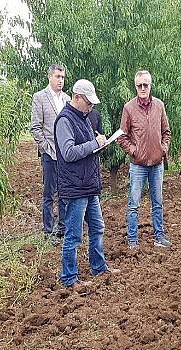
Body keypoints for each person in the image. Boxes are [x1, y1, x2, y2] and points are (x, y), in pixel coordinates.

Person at [54, 79, 120, 289]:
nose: (91, 106)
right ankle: (69, 278)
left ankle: (99, 267)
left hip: (89, 185)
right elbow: (69, 152)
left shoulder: (84, 118)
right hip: (75, 187)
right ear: (77, 97)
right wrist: (94, 144)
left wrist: (101, 144)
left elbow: (86, 149)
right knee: (73, 235)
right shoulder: (64, 120)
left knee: (98, 227)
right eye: (88, 102)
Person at [118, 70, 172, 249]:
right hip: (138, 165)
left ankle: (159, 236)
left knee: (158, 203)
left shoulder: (159, 105)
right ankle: (132, 240)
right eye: (139, 85)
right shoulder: (129, 108)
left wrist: (163, 149)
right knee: (134, 204)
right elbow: (122, 136)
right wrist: (133, 151)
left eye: (145, 85)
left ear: (150, 86)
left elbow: (166, 132)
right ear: (135, 86)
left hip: (157, 164)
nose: (142, 88)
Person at [31, 64, 71, 239]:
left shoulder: (68, 100)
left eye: (62, 77)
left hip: (66, 155)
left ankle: (62, 227)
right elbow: (35, 128)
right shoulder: (40, 97)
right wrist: (46, 148)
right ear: (50, 77)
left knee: (64, 192)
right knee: (49, 193)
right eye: (57, 76)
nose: (60, 80)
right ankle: (48, 229)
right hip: (50, 154)